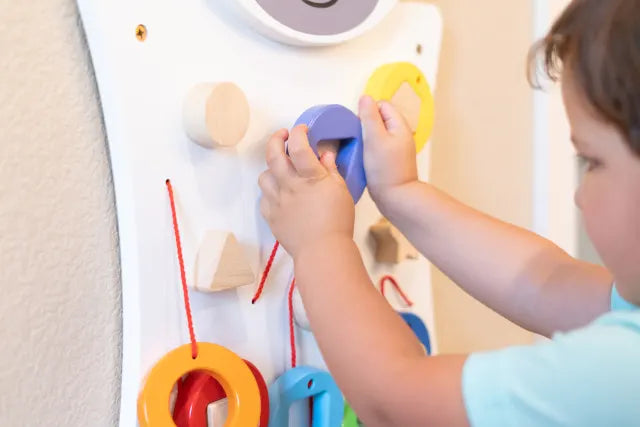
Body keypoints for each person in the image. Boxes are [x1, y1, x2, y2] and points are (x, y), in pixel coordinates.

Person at [258, 0, 640, 424]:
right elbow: (543, 281)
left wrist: (320, 243)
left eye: (593, 161)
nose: (579, 194)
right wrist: (402, 192)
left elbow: (396, 401)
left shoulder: (623, 371)